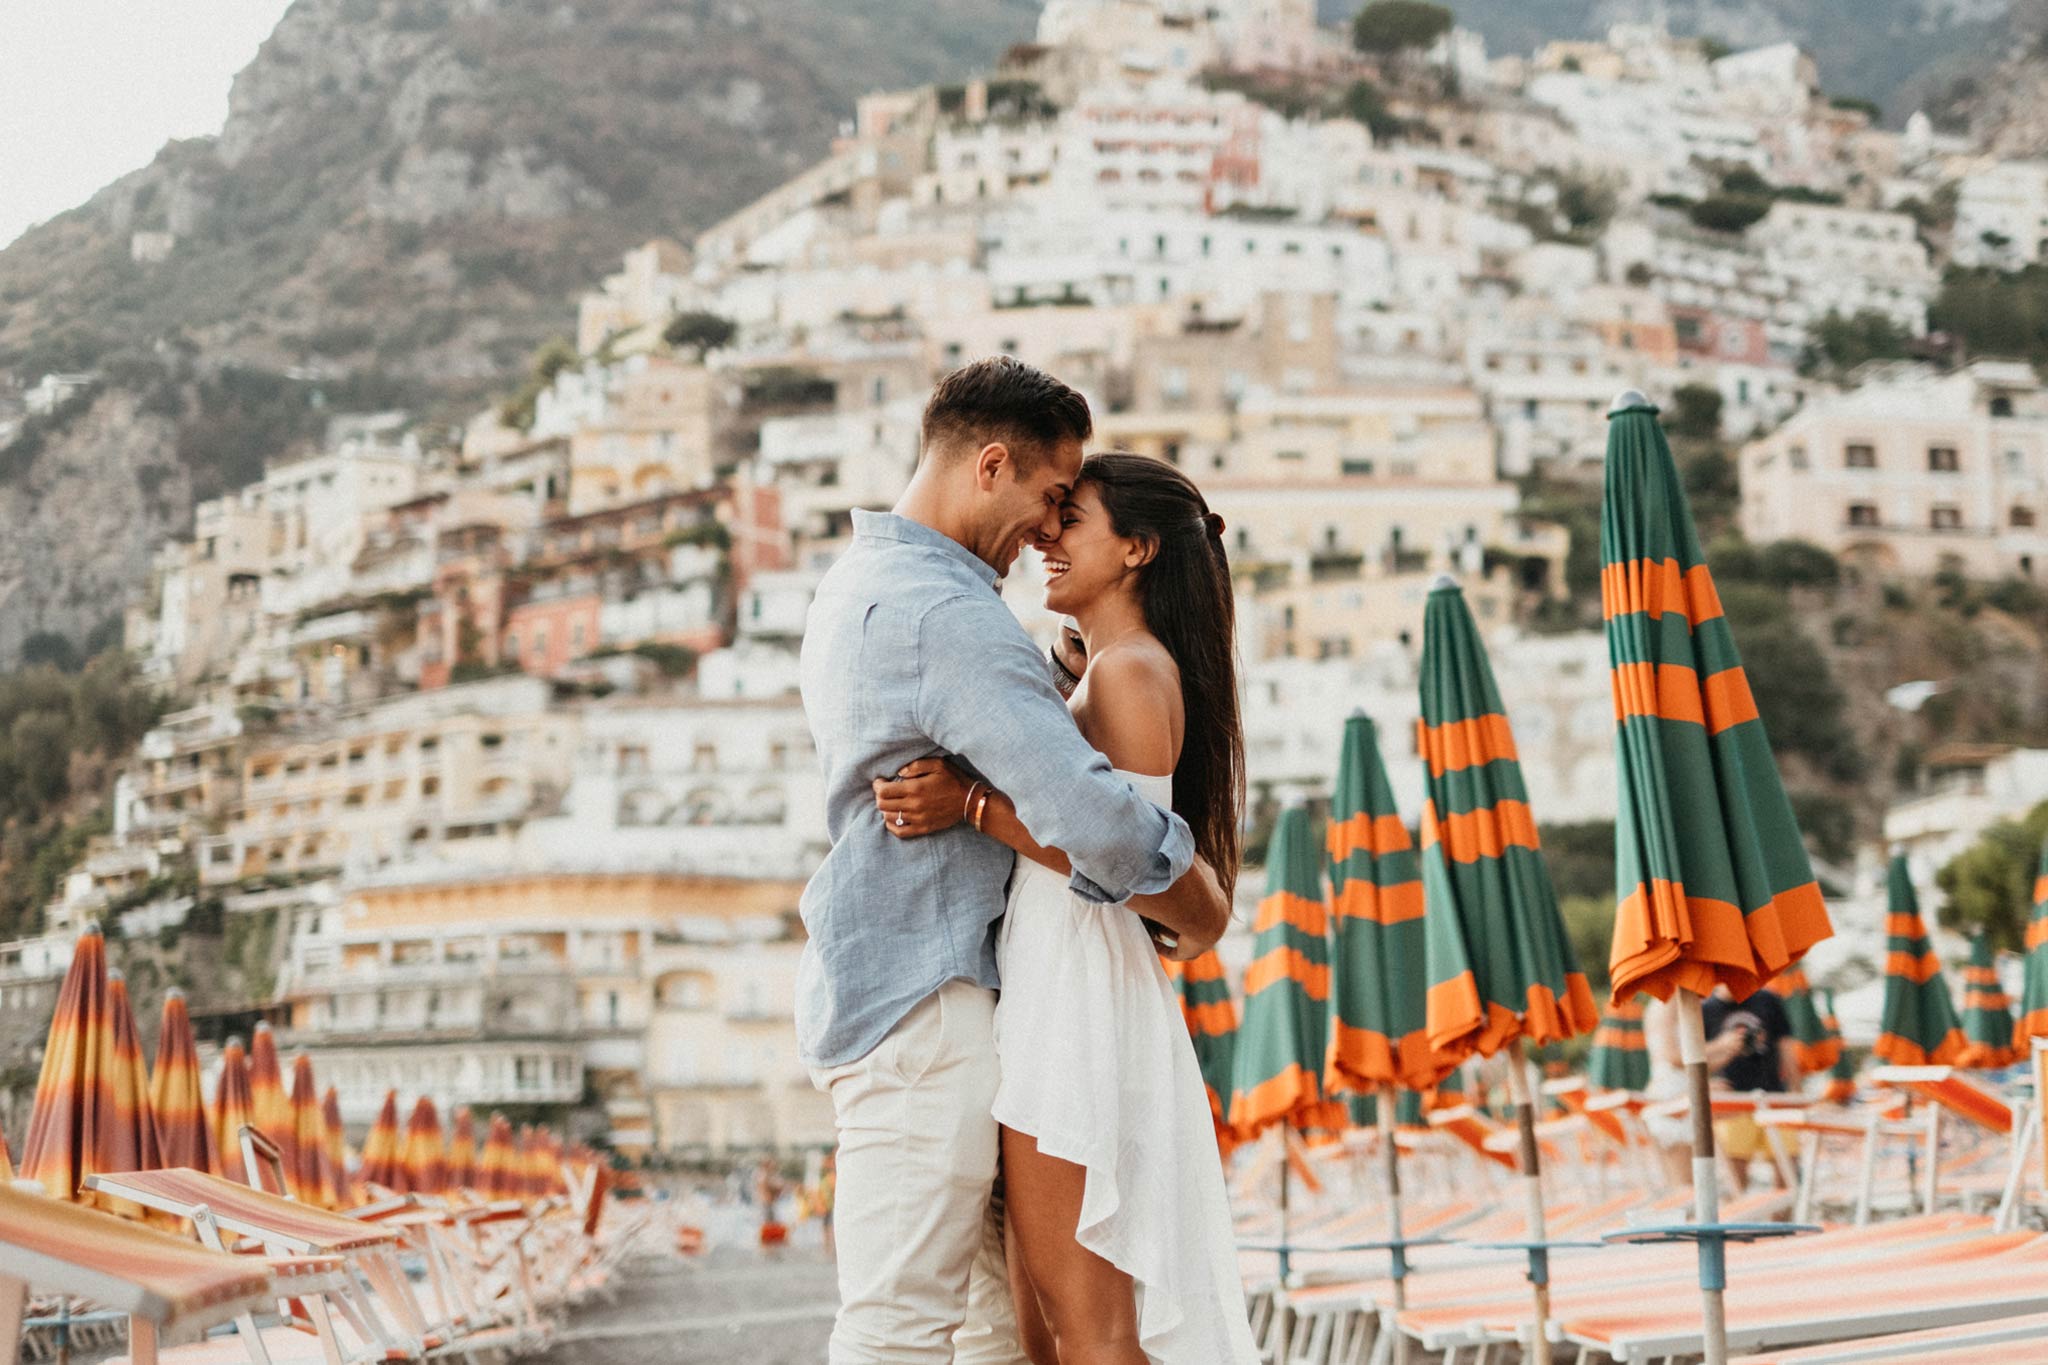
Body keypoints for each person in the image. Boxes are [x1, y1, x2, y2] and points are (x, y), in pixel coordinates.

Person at [797, 358, 1233, 1365]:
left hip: (963, 995)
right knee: (919, 1326)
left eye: (1068, 514)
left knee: (980, 1331)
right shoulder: (944, 615)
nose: (1045, 529)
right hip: (934, 1005)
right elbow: (1098, 822)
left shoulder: (863, 581)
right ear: (990, 464)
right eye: (1049, 497)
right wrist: (1197, 898)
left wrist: (998, 778)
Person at [1701, 983, 1799, 1190]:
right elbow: (1698, 1060)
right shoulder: (1705, 1009)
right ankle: (1740, 1211)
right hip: (1732, 1103)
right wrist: (1724, 1047)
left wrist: (1795, 1092)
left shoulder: (1768, 1000)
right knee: (1736, 1176)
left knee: (1787, 1170)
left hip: (1774, 1097)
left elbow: (1786, 1050)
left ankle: (1783, 1211)